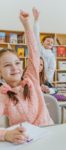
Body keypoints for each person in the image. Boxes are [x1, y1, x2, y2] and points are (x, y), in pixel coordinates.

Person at [0, 10, 53, 144]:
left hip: (48, 132)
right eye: (7, 65)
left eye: (17, 63)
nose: (14, 68)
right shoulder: (3, 95)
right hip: (25, 142)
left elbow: (34, 51)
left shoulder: (31, 78)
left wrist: (27, 25)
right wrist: (5, 134)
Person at [32, 7, 56, 83]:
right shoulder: (40, 48)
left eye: (52, 42)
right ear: (42, 42)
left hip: (45, 78)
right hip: (35, 74)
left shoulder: (52, 55)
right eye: (48, 41)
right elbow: (36, 35)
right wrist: (36, 20)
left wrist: (46, 79)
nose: (50, 43)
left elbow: (52, 68)